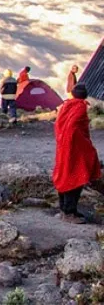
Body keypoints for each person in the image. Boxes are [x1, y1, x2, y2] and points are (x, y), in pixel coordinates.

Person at [53, 84, 103, 224]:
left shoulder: (66, 106)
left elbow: (60, 126)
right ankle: (69, 212)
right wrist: (86, 147)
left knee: (64, 176)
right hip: (74, 149)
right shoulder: (80, 107)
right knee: (76, 178)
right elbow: (73, 128)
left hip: (64, 148)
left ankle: (65, 209)